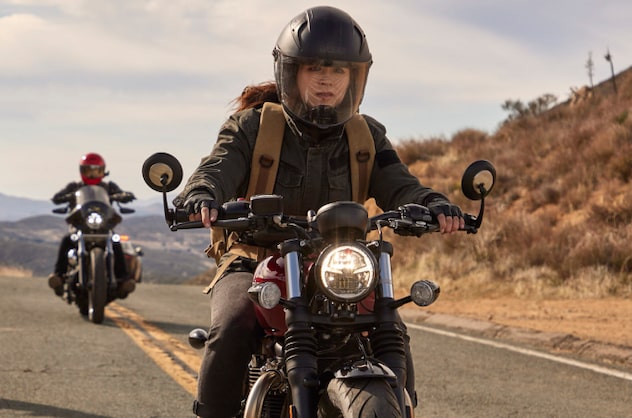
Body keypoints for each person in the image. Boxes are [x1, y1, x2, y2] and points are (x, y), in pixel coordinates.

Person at [175, 6, 464, 417]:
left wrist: (432, 205)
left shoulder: (366, 135)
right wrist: (201, 193)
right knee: (234, 323)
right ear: (292, 74)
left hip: (339, 265)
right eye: (315, 69)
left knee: (390, 328)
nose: (327, 80)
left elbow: (400, 184)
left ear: (354, 78)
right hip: (256, 259)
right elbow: (217, 168)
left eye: (339, 71)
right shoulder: (253, 127)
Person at [47, 152, 137, 297]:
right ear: (82, 171)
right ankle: (58, 276)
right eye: (89, 170)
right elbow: (57, 198)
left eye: (97, 170)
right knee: (66, 240)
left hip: (103, 228)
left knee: (116, 243)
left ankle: (123, 280)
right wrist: (65, 197)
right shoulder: (75, 186)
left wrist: (124, 196)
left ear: (103, 171)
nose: (93, 174)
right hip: (81, 228)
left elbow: (122, 193)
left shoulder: (108, 187)